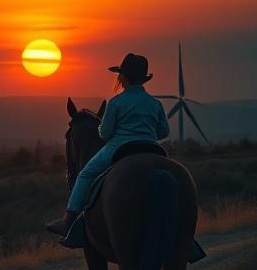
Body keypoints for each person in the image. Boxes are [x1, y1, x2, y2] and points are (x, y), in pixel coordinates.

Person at [45, 52, 170, 237]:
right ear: (144, 80)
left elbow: (104, 133)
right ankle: (184, 237)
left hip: (119, 149)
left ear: (123, 77)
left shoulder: (116, 103)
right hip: (152, 149)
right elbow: (163, 132)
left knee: (85, 175)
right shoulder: (155, 104)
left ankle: (68, 221)